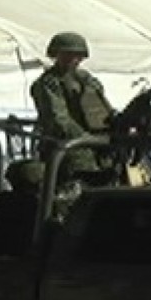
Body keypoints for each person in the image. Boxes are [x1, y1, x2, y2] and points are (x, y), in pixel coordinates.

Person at [30, 32, 116, 186]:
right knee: (77, 186)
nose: (74, 59)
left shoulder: (86, 79)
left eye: (78, 55)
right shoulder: (49, 83)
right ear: (56, 54)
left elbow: (102, 108)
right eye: (68, 55)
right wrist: (87, 139)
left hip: (96, 147)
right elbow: (59, 121)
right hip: (67, 148)